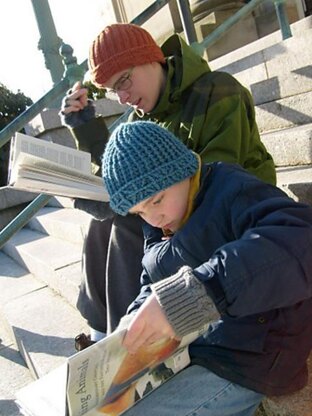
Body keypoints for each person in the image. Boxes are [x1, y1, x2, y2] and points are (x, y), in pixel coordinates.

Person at [60, 22, 276, 346]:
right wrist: (87, 130)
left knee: (127, 222)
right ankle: (101, 336)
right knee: (100, 224)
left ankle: (126, 346)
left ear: (152, 58)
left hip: (234, 210)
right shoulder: (139, 120)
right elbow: (119, 177)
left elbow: (213, 184)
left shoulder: (218, 90)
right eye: (112, 91)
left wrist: (135, 202)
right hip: (176, 213)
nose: (122, 97)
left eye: (124, 81)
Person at [101, 120, 312, 416]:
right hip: (202, 347)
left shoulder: (231, 190)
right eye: (139, 212)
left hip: (257, 351)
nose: (153, 218)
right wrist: (136, 316)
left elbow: (299, 238)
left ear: (182, 171)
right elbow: (153, 278)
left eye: (156, 200)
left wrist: (201, 290)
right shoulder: (159, 225)